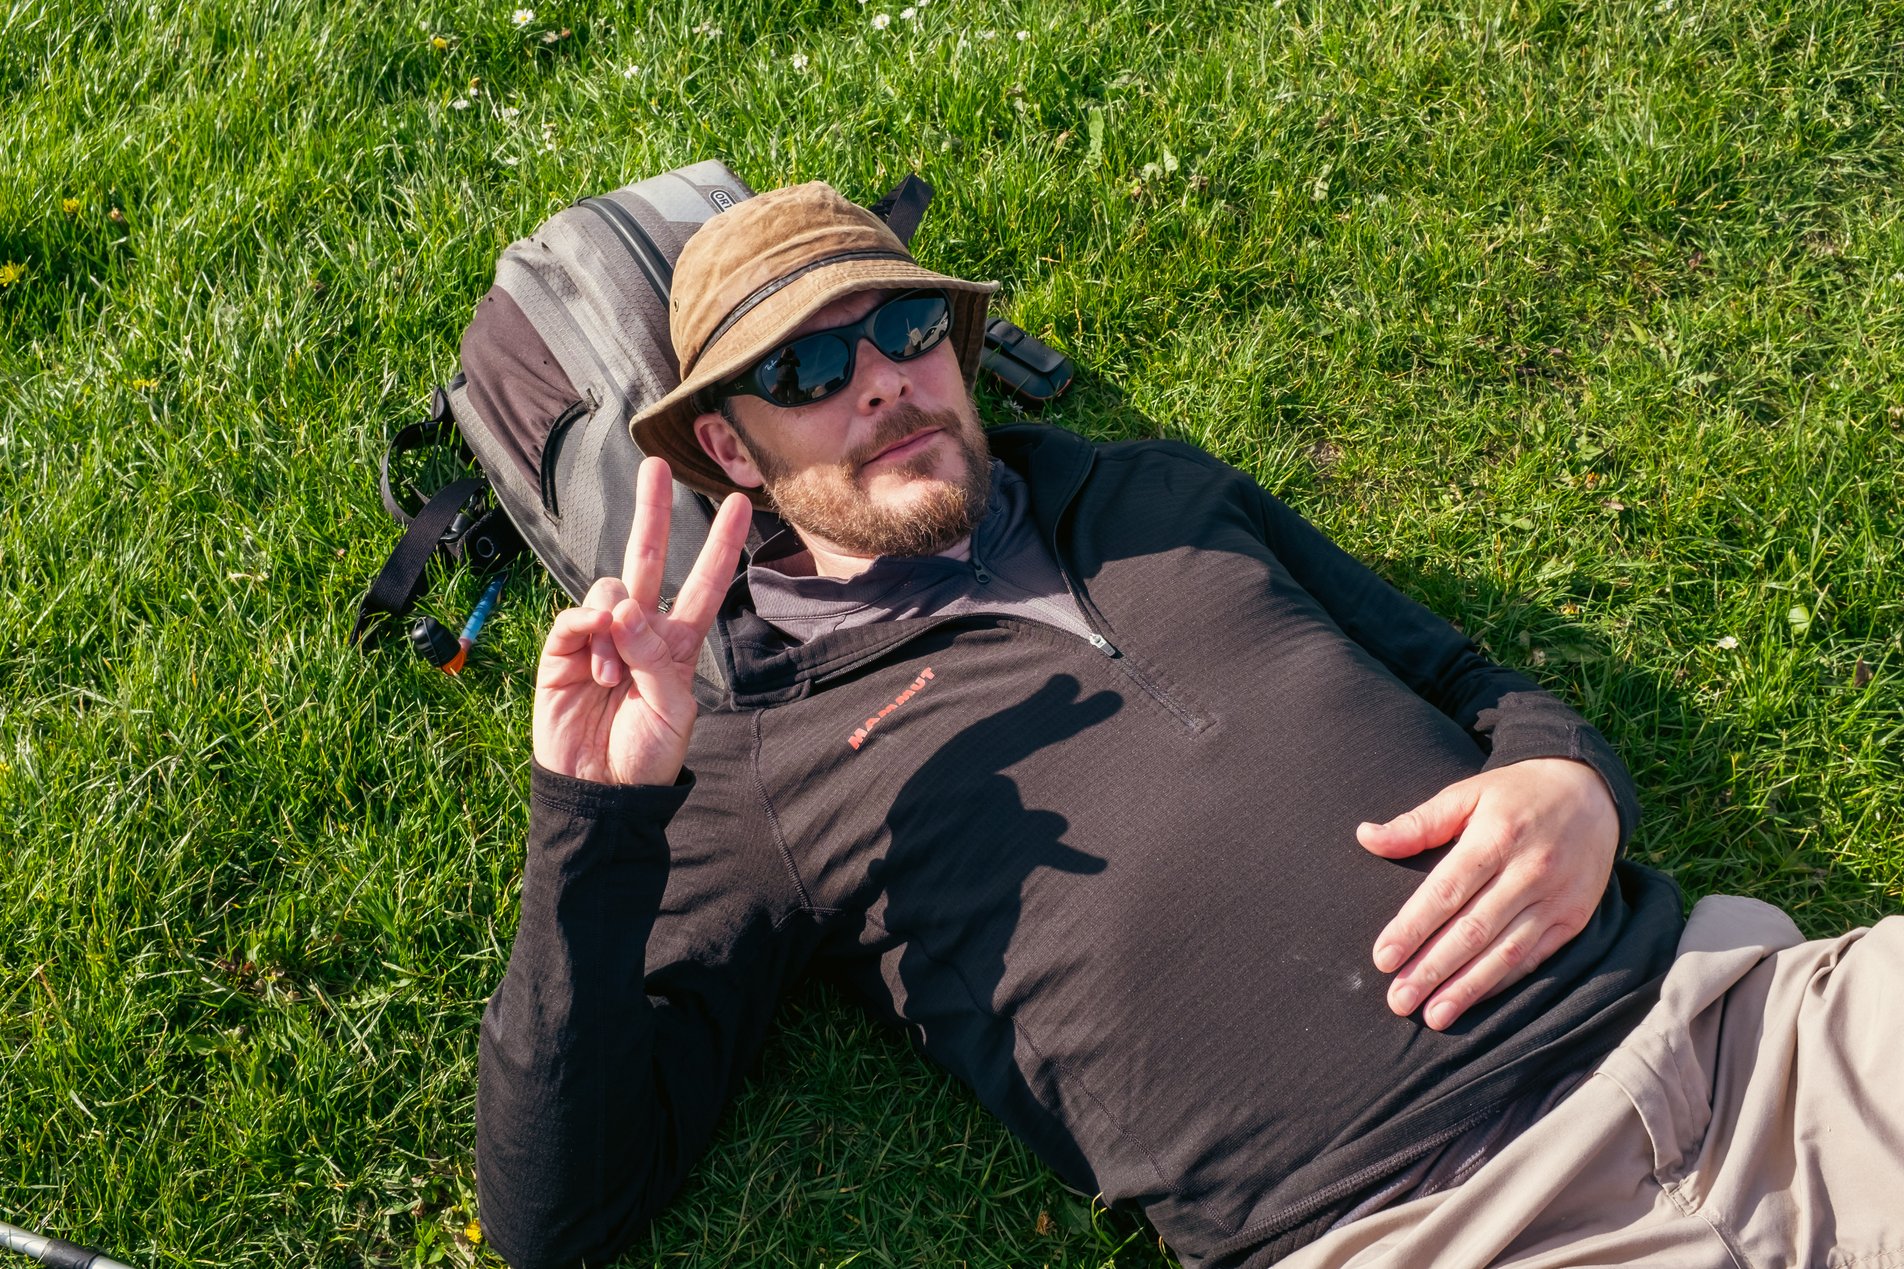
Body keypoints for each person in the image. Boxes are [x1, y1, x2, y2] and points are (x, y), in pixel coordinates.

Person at [475, 183, 1904, 1269]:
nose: (882, 383)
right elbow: (557, 1206)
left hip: (1754, 1032)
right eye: (805, 371)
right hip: (1434, 1228)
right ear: (729, 448)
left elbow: (1465, 676)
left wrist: (1572, 778)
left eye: (903, 330)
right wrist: (590, 814)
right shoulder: (759, 753)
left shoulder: (1157, 491)